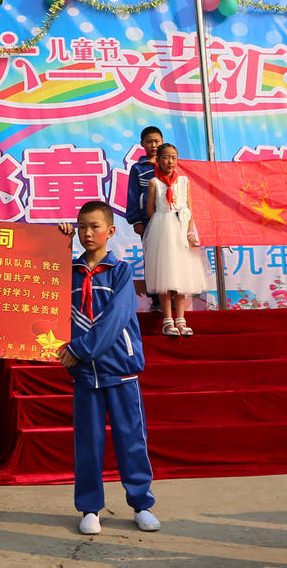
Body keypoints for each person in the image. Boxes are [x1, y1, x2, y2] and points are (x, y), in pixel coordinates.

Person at [58, 200, 160, 535]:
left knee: (131, 441)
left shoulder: (121, 271)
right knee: (88, 443)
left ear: (111, 231)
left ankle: (141, 504)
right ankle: (90, 508)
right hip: (86, 376)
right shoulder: (69, 272)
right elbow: (43, 295)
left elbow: (116, 319)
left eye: (95, 226)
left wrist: (80, 349)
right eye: (81, 227)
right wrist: (57, 247)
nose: (87, 233)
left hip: (120, 371)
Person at [141, 143, 207, 336]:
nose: (170, 161)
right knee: (165, 278)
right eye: (166, 157)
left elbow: (190, 208)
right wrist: (165, 217)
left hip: (181, 231)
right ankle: (168, 321)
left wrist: (189, 232)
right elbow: (150, 210)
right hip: (162, 231)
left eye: (174, 158)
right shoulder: (154, 183)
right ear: (158, 160)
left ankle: (181, 320)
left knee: (181, 277)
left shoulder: (184, 181)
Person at [124, 126, 164, 312]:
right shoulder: (138, 168)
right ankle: (156, 299)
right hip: (147, 221)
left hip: (169, 220)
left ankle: (171, 296)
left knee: (171, 257)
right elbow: (133, 194)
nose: (153, 145)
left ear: (162, 142)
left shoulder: (168, 164)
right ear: (142, 144)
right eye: (149, 141)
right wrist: (136, 220)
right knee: (152, 258)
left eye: (157, 141)